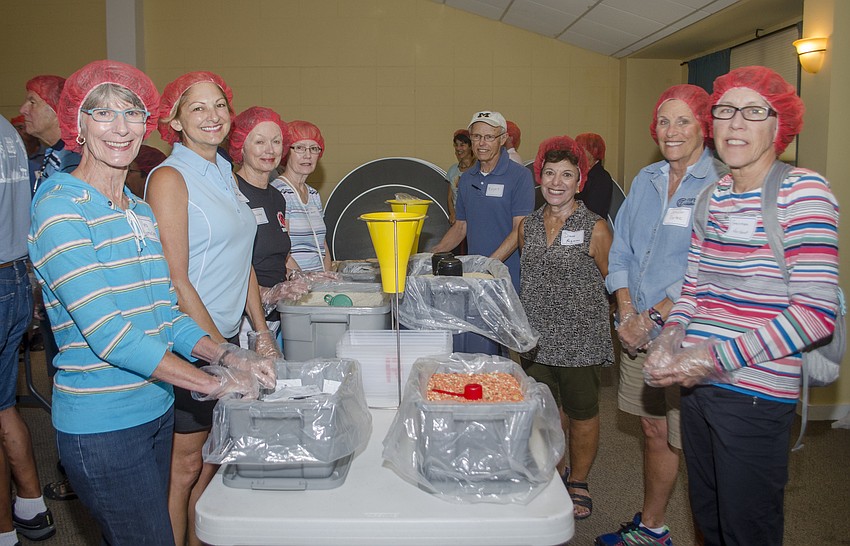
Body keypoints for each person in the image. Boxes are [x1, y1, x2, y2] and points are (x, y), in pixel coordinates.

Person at [27, 59, 272, 546]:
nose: (120, 129)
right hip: (104, 426)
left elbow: (166, 314)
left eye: (132, 114)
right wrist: (211, 383)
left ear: (147, 123)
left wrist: (228, 356)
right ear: (77, 123)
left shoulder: (136, 210)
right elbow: (112, 335)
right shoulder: (59, 206)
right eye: (103, 114)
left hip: (154, 409)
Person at [644, 66, 839, 545]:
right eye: (726, 111)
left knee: (748, 526)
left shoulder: (804, 192)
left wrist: (711, 358)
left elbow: (815, 314)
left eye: (755, 112)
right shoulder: (712, 197)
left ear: (780, 126)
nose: (736, 123)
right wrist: (670, 338)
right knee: (708, 520)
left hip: (756, 391)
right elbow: (693, 289)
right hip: (698, 389)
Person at [146, 71, 276, 546]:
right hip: (188, 341)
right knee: (184, 467)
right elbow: (175, 278)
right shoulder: (168, 177)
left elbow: (243, 260)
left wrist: (259, 333)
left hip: (227, 340)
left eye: (219, 105)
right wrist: (221, 354)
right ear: (175, 121)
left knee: (213, 457)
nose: (212, 115)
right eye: (197, 107)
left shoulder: (225, 172)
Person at [596, 84, 727, 546]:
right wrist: (627, 308)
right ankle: (652, 528)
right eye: (664, 121)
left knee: (690, 440)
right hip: (637, 328)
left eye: (683, 121)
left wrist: (649, 317)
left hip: (687, 334)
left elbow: (706, 266)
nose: (670, 131)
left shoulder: (720, 183)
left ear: (705, 127)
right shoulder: (646, 179)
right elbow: (623, 249)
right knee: (653, 429)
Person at [519, 135, 613, 521]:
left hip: (581, 342)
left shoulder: (596, 228)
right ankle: (553, 472)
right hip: (536, 341)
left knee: (582, 412)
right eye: (550, 173)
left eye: (567, 175)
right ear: (540, 177)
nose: (556, 182)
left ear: (580, 182)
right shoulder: (528, 225)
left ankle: (580, 481)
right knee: (543, 412)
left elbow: (612, 282)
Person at [19, 73, 82, 503]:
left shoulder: (81, 165)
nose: (24, 111)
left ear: (57, 108)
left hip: (79, 298)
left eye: (32, 102)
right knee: (60, 378)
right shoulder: (40, 162)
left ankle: (80, 476)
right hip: (48, 294)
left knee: (74, 382)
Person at [431, 110, 535, 354]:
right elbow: (461, 226)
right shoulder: (467, 179)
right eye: (476, 137)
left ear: (502, 139)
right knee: (481, 344)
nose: (481, 143)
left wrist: (489, 264)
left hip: (507, 276)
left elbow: (520, 228)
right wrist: (433, 254)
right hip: (477, 278)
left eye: (489, 137)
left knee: (508, 347)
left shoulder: (520, 177)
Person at [0, 116, 55, 545]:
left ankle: (3, 530)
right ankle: (31, 505)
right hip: (16, 273)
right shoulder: (7, 132)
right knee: (4, 405)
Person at [230, 106, 307, 335]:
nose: (269, 150)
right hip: (244, 320)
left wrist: (302, 277)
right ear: (241, 146)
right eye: (259, 142)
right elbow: (231, 263)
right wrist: (264, 293)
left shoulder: (277, 198)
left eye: (276, 142)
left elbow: (278, 257)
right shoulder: (232, 192)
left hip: (277, 314)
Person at [271, 120, 332, 272]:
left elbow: (322, 245)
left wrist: (327, 279)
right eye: (299, 148)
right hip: (295, 287)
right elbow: (282, 251)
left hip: (318, 286)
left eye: (314, 148)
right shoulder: (280, 192)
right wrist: (304, 283)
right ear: (286, 151)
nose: (308, 155)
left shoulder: (313, 195)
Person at [575, 132, 615, 220]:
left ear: (594, 151)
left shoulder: (601, 178)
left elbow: (593, 213)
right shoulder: (580, 174)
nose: (577, 152)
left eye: (581, 148)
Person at [445, 128, 474, 226]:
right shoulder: (453, 170)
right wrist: (452, 214)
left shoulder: (479, 169)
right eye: (456, 145)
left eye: (462, 145)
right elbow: (450, 197)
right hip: (458, 222)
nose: (458, 148)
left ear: (471, 146)